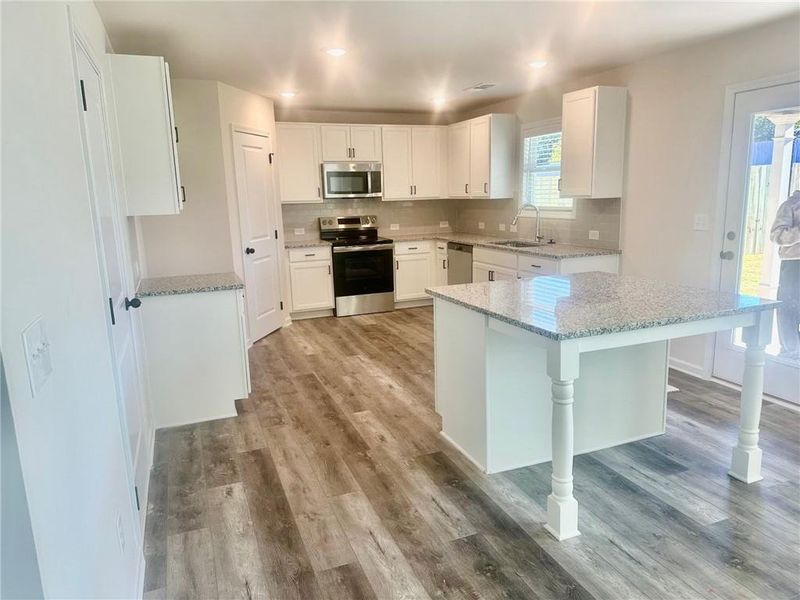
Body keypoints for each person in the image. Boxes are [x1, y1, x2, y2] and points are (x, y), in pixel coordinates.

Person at [770, 189, 800, 360]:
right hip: (794, 264)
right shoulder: (790, 206)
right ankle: (790, 354)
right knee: (788, 310)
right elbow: (776, 235)